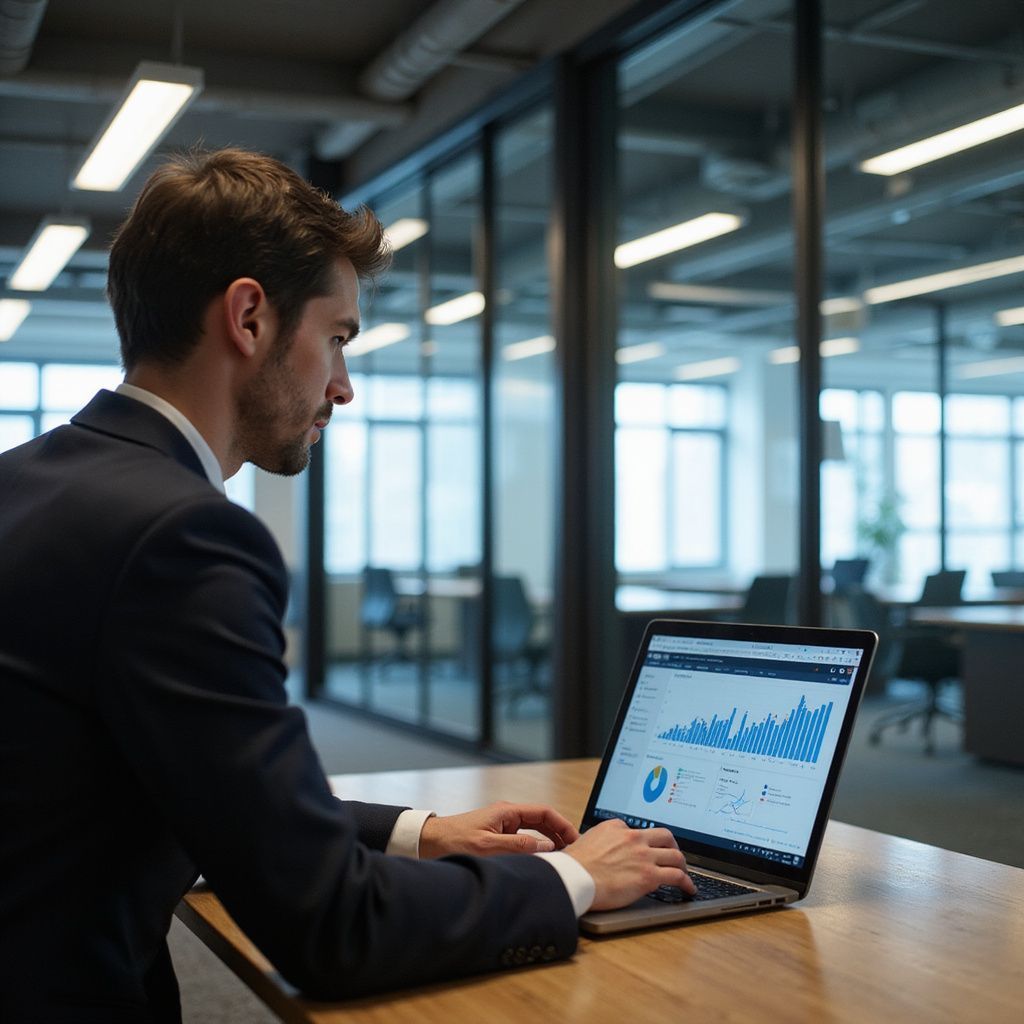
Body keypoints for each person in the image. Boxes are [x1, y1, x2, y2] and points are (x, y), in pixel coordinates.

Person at [0, 148, 692, 1022]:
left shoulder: (23, 481)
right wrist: (572, 878)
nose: (345, 386)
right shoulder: (183, 538)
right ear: (249, 317)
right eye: (337, 338)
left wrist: (419, 834)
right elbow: (333, 927)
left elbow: (183, 781)